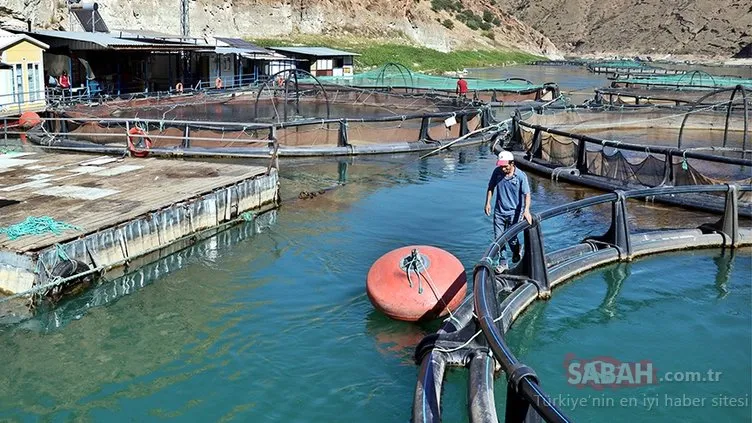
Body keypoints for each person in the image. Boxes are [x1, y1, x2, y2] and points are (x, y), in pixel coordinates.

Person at [484, 150, 532, 268]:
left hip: (514, 212)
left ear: (512, 164)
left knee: (511, 239)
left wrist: (526, 210)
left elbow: (527, 194)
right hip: (499, 212)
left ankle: (516, 250)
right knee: (499, 239)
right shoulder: (497, 172)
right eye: (501, 166)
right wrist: (488, 203)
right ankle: (503, 263)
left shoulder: (520, 176)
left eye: (505, 166)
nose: (503, 169)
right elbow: (491, 187)